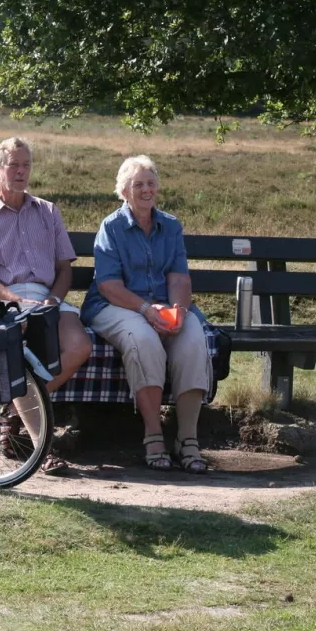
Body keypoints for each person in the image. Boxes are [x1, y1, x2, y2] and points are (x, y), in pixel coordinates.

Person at [82, 155, 212, 473]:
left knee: (194, 337)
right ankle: (153, 435)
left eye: (151, 183)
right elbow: (109, 284)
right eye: (138, 184)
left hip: (163, 305)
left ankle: (187, 439)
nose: (145, 190)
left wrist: (178, 312)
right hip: (115, 305)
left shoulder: (171, 225)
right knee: (143, 338)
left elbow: (179, 278)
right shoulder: (111, 227)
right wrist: (144, 310)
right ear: (124, 191)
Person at [0, 137, 93, 394]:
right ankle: (23, 417)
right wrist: (14, 301)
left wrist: (53, 300)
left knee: (80, 345)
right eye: (13, 165)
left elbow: (64, 268)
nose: (21, 171)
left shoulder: (48, 211)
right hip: (1, 301)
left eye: (26, 165)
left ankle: (16, 407)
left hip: (46, 301)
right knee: (11, 350)